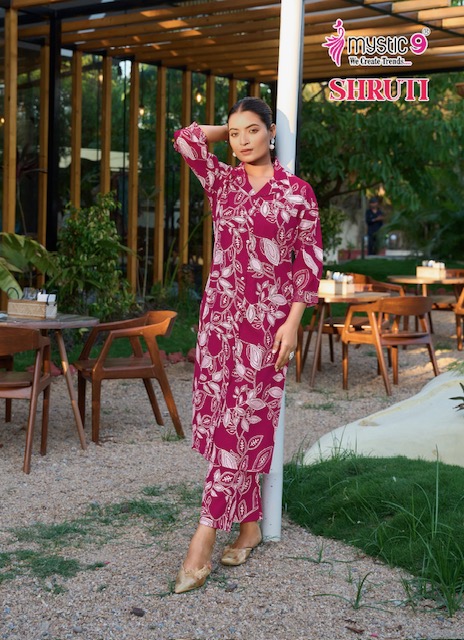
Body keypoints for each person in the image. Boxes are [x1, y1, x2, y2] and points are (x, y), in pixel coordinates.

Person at [172, 97, 323, 594]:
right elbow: (186, 140)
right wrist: (230, 126)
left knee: (243, 424)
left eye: (253, 130)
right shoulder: (223, 182)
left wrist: (293, 323)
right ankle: (251, 526)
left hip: (267, 327)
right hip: (220, 323)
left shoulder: (297, 194)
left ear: (272, 132)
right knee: (228, 425)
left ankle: (202, 539)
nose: (242, 141)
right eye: (235, 133)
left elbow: (309, 264)